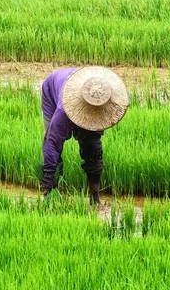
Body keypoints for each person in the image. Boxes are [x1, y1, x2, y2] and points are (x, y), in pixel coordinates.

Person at [39, 66, 129, 204]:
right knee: (52, 143)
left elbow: (94, 147)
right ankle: (52, 193)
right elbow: (52, 144)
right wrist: (47, 180)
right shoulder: (63, 111)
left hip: (82, 85)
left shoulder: (105, 95)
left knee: (92, 146)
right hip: (52, 91)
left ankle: (95, 197)